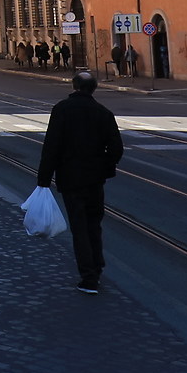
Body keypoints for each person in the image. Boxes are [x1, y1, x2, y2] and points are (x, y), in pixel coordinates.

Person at [35, 70, 125, 292]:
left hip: (71, 178)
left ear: (74, 87)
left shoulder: (62, 110)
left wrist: (44, 179)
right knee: (94, 225)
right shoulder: (103, 113)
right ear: (94, 88)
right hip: (95, 179)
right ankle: (97, 266)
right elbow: (116, 149)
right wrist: (104, 167)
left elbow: (52, 146)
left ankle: (89, 277)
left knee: (80, 227)